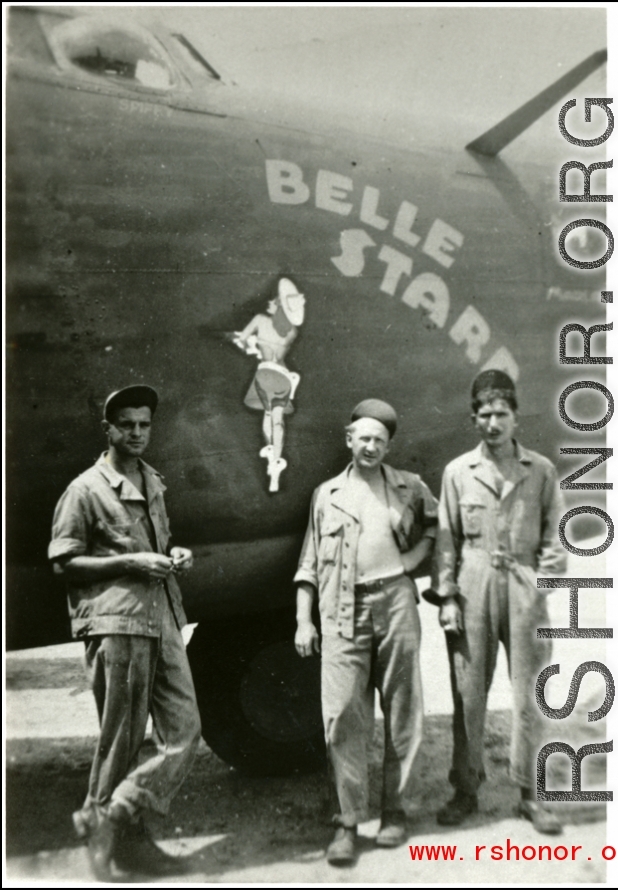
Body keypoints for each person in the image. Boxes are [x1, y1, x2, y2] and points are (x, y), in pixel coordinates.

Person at [48, 385, 202, 880]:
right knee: (123, 738)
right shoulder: (85, 489)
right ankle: (121, 843)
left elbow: (156, 541)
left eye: (145, 424)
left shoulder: (152, 481)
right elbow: (64, 562)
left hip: (163, 616)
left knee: (184, 729)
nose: (137, 432)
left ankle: (109, 816)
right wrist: (131, 562)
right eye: (127, 424)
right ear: (108, 429)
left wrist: (175, 555)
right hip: (117, 621)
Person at [294, 399, 437, 865]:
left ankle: (395, 812)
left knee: (403, 709)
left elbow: (439, 526)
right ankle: (347, 822)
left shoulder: (409, 486)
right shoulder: (327, 494)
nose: (371, 446)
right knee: (341, 717)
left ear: (388, 445)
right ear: (348, 438)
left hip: (395, 603)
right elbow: (309, 563)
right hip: (340, 610)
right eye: (364, 438)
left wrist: (413, 565)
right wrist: (303, 619)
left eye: (380, 440)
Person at [435, 370, 566, 834]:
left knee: (530, 691)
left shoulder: (541, 470)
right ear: (474, 420)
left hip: (523, 584)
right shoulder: (457, 472)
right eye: (485, 415)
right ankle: (465, 789)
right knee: (467, 692)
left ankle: (531, 795)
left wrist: (544, 583)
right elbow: (446, 541)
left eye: (501, 414)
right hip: (473, 583)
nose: (493, 423)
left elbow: (555, 534)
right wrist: (447, 597)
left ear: (515, 418)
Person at [232, 277, 306, 492]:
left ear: (279, 304)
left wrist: (253, 345)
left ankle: (271, 456)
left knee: (267, 416)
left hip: (264, 374)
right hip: (282, 375)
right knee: (277, 420)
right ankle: (275, 462)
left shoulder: (259, 319)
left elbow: (241, 340)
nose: (269, 302)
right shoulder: (293, 331)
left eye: (274, 300)